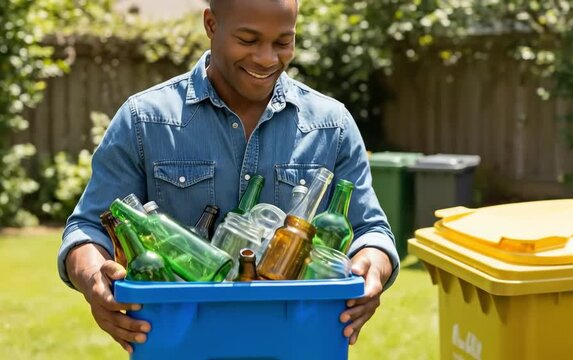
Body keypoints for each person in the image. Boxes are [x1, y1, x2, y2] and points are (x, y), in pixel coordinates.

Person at [58, 0, 399, 354]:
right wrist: (93, 278)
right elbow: (87, 227)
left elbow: (371, 231)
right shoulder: (145, 120)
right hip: (180, 346)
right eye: (249, 40)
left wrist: (372, 266)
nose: (267, 58)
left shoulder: (332, 126)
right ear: (211, 24)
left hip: (298, 343)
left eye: (283, 42)